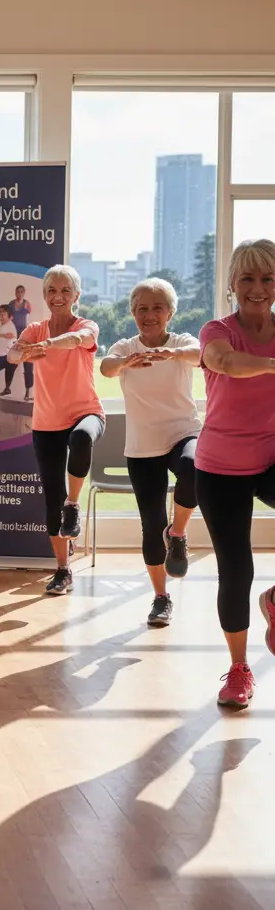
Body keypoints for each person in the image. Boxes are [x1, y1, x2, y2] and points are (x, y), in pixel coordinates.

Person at [193, 239, 275, 709]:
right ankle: (240, 669)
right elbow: (223, 362)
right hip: (221, 467)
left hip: (270, 459)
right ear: (232, 284)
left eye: (267, 278)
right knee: (236, 569)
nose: (258, 288)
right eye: (247, 278)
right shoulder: (217, 331)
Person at [100, 279, 201, 627]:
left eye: (157, 308)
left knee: (194, 466)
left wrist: (172, 354)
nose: (149, 314)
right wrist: (125, 363)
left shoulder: (182, 342)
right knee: (151, 524)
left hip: (182, 432)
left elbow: (199, 354)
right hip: (143, 447)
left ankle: (178, 534)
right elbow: (107, 366)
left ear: (170, 313)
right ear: (133, 313)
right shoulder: (126, 347)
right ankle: (161, 597)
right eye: (142, 308)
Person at [9, 265, 104, 596]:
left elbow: (78, 340)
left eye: (65, 290)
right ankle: (63, 569)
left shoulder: (86, 326)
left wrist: (48, 344)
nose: (58, 296)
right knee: (51, 495)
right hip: (47, 422)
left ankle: (73, 504)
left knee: (81, 438)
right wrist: (22, 351)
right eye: (52, 290)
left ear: (76, 296)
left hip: (86, 413)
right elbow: (13, 353)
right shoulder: (35, 329)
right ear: (45, 296)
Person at [6, 284, 35, 401]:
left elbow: (28, 318)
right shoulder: (11, 304)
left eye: (22, 291)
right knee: (11, 362)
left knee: (28, 363)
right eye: (18, 291)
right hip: (14, 335)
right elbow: (8, 319)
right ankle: (7, 387)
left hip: (25, 336)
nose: (20, 293)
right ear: (15, 292)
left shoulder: (27, 304)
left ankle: (28, 392)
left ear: (24, 293)